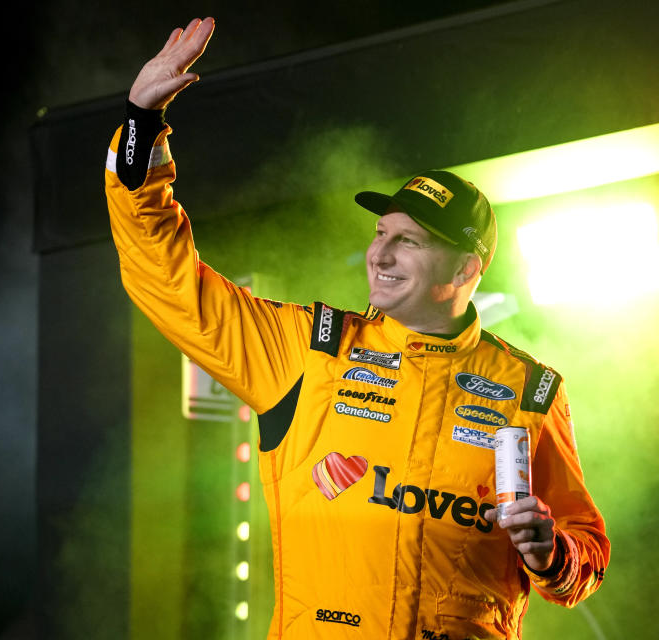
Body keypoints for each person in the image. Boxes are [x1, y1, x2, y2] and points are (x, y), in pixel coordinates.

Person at [105, 17, 609, 640]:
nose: (381, 255)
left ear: (467, 267)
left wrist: (551, 553)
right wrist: (139, 126)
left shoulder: (531, 392)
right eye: (379, 234)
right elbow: (164, 277)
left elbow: (585, 552)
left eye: (409, 241)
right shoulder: (310, 351)